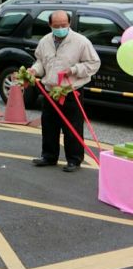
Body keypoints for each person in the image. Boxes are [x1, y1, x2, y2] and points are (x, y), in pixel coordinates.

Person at [28, 10, 100, 172]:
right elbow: (41, 61)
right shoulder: (45, 41)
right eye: (56, 25)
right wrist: (34, 70)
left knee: (72, 127)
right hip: (50, 90)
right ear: (50, 25)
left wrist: (74, 70)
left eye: (64, 25)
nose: (60, 28)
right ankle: (48, 156)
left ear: (69, 24)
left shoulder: (81, 42)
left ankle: (74, 160)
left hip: (71, 90)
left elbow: (94, 63)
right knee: (49, 124)